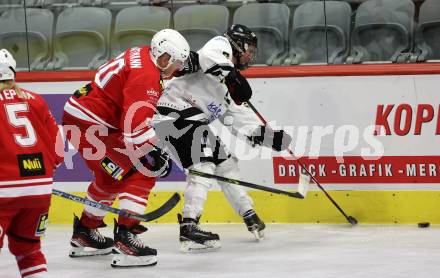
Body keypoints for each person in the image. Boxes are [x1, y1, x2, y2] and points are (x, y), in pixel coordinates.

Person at [152, 24, 292, 252]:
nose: (250, 55)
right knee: (204, 164)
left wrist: (269, 137)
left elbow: (239, 121)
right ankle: (189, 226)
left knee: (226, 163)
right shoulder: (220, 46)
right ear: (239, 44)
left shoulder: (226, 90)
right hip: (173, 116)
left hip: (191, 122)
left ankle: (249, 214)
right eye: (249, 49)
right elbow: (209, 57)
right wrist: (232, 75)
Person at [62, 29, 191, 267]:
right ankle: (126, 238)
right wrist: (156, 152)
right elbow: (134, 132)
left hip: (88, 118)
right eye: (177, 63)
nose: (177, 69)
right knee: (143, 169)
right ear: (164, 58)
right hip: (91, 124)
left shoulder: (144, 54)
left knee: (110, 177)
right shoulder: (147, 77)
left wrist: (153, 145)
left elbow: (131, 120)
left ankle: (85, 234)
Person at [0, 49, 63, 277]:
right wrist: (42, 176)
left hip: (2, 194)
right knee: (29, 250)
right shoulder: (36, 100)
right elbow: (58, 147)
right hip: (39, 191)